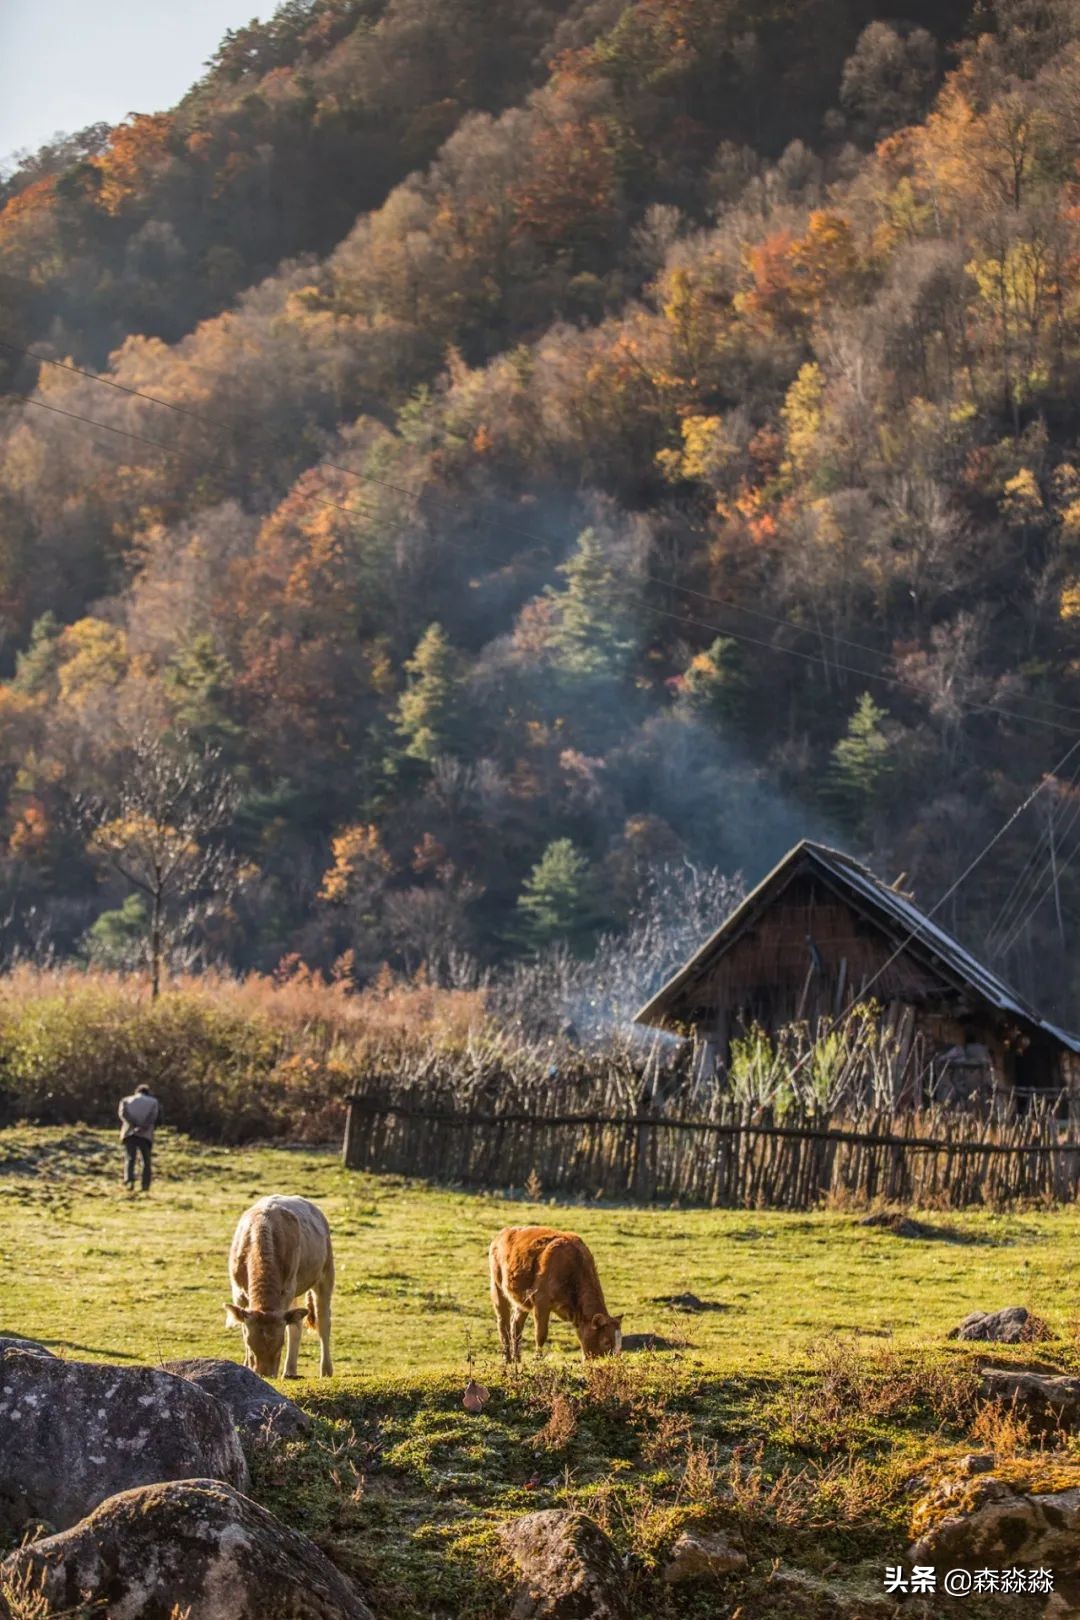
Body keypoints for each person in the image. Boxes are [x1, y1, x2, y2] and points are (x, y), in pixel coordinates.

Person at [118, 1083, 161, 1192]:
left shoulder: (125, 1100)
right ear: (148, 1092)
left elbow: (123, 1114)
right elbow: (153, 1117)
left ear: (136, 1091)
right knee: (146, 1160)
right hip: (145, 1134)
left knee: (130, 1158)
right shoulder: (153, 1102)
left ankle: (129, 1181)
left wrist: (133, 1125)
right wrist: (142, 1127)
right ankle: (145, 1185)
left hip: (129, 1133)